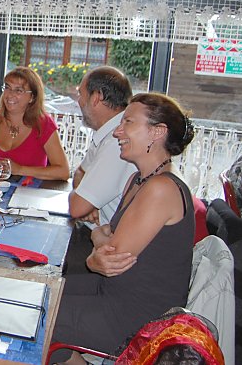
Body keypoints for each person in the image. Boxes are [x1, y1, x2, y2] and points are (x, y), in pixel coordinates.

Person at [51, 93, 196, 364]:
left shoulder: (161, 189)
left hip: (138, 318)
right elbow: (105, 244)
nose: (118, 131)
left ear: (157, 132)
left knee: (38, 314)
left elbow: (105, 260)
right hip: (113, 292)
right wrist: (99, 239)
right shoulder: (138, 180)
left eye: (128, 122)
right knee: (42, 289)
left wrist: (99, 243)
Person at [0, 66, 69, 180]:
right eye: (7, 88)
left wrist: (19, 169)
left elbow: (63, 172)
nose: (10, 94)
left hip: (30, 194)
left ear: (32, 97)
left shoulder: (44, 124)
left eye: (18, 90)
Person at [69, 66, 135, 225]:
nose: (79, 101)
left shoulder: (118, 140)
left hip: (114, 240)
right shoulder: (106, 131)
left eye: (81, 94)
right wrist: (88, 203)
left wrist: (83, 200)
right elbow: (79, 173)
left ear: (96, 97)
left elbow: (76, 208)